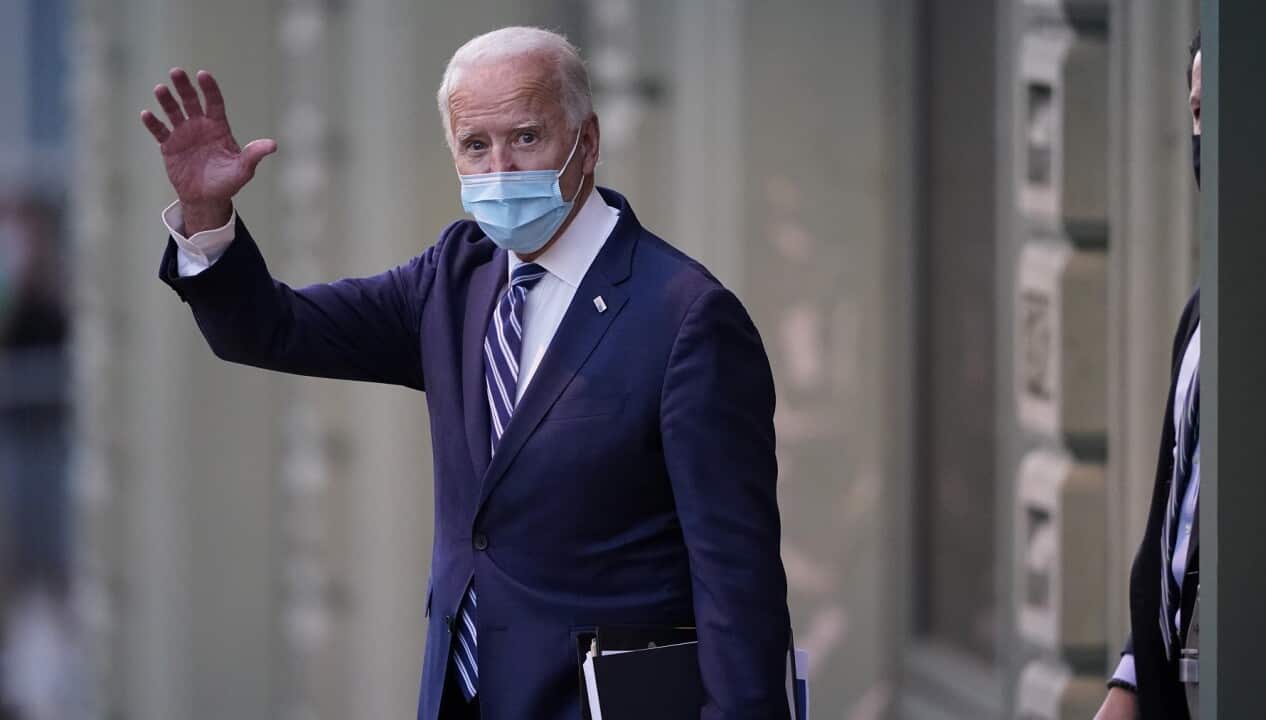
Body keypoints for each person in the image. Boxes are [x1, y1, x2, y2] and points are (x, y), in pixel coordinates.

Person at [139, 26, 791, 720]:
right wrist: (209, 215)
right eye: (477, 146)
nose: (501, 170)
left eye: (527, 138)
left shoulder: (687, 317)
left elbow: (737, 583)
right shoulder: (456, 276)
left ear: (588, 140)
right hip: (464, 696)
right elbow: (272, 328)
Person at [1094, 30, 1202, 720]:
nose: (1205, 137)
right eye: (1195, 113)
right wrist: (1131, 680)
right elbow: (1178, 522)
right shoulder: (1204, 315)